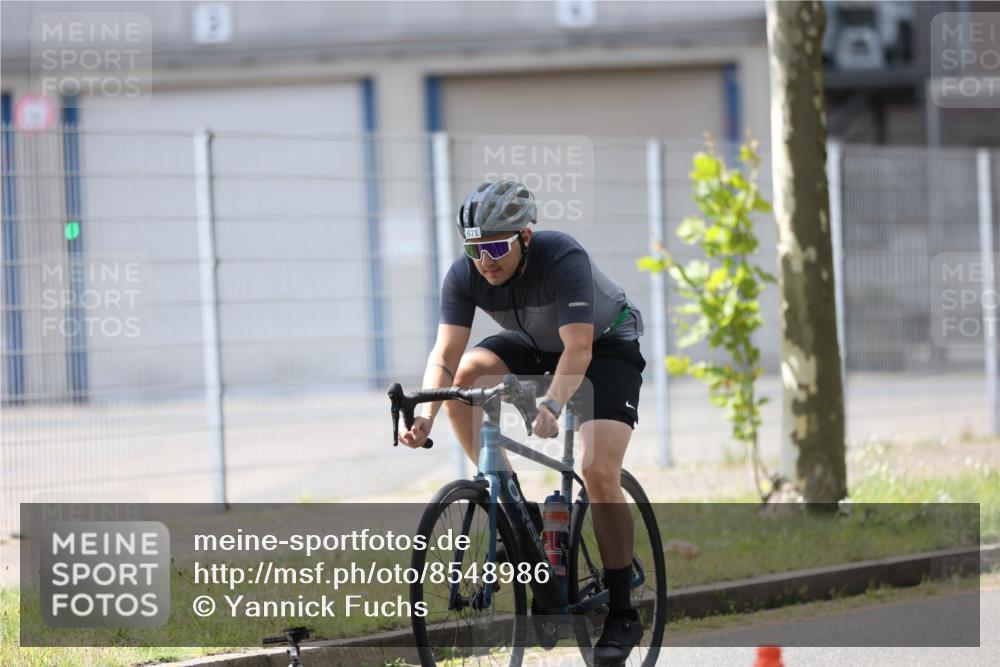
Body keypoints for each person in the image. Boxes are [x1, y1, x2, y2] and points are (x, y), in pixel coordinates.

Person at [399, 179, 646, 663]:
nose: (485, 260)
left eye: (495, 246)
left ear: (525, 237)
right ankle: (518, 512)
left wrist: (553, 404)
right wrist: (425, 415)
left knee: (598, 473)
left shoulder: (562, 257)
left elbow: (579, 349)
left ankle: (622, 614)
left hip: (605, 344)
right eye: (475, 248)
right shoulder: (466, 274)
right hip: (537, 344)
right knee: (465, 376)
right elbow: (444, 354)